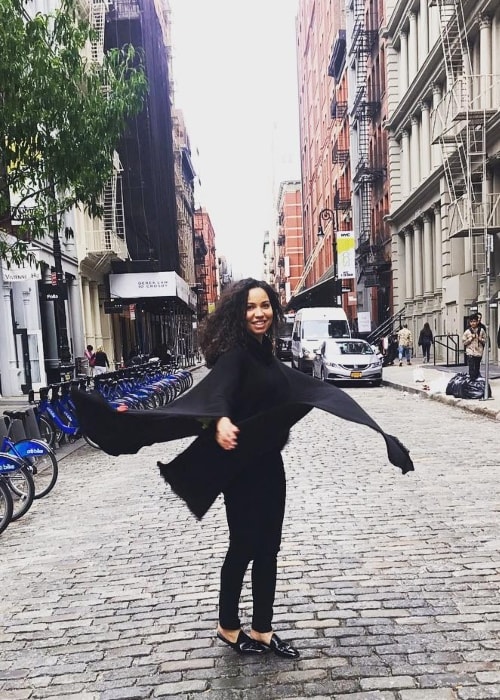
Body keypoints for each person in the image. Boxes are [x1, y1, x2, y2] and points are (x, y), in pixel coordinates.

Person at [71, 278, 413, 659]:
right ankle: (228, 626)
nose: (259, 313)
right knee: (243, 547)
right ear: (239, 312)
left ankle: (263, 630)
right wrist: (219, 419)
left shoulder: (267, 355)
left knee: (269, 549)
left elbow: (296, 388)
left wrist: (362, 420)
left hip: (269, 465)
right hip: (241, 471)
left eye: (265, 306)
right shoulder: (236, 355)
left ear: (274, 310)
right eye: (251, 307)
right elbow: (219, 391)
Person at [462, 313, 486, 381]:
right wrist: (470, 339)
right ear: (470, 322)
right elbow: (464, 342)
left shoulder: (481, 330)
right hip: (470, 352)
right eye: (471, 321)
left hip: (478, 352)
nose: (473, 323)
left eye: (474, 321)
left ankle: (475, 380)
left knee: (477, 367)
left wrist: (480, 339)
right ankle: (472, 381)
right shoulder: (467, 332)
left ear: (477, 322)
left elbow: (485, 340)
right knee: (471, 367)